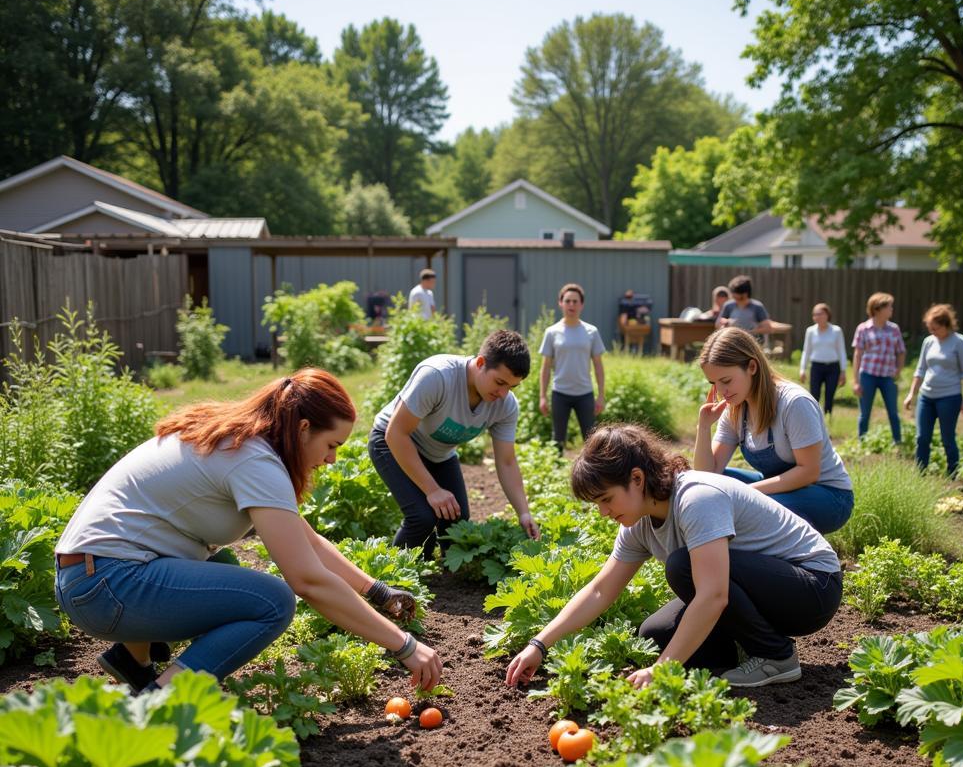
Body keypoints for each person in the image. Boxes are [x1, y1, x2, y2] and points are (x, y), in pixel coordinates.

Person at [54, 369, 443, 695]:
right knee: (273, 601)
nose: (331, 459)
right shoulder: (254, 460)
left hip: (90, 577)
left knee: (221, 561)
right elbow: (306, 580)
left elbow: (302, 537)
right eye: (330, 445)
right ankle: (158, 703)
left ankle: (132, 662)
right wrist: (403, 645)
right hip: (106, 585)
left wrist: (375, 591)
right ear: (304, 427)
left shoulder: (243, 440)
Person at [504, 424, 843, 690]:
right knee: (654, 634)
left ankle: (777, 656)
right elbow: (599, 590)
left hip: (813, 587)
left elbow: (713, 595)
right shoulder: (638, 525)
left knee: (682, 567)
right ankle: (743, 648)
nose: (603, 512)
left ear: (637, 479)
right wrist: (540, 644)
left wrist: (663, 670)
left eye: (606, 499)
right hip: (766, 587)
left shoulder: (697, 499)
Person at [370, 330, 540, 556]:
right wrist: (432, 490)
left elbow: (507, 462)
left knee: (457, 523)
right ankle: (388, 580)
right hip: (391, 441)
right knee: (422, 517)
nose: (503, 393)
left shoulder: (505, 405)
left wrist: (524, 513)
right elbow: (396, 433)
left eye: (511, 386)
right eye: (499, 382)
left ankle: (433, 569)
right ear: (480, 363)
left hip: (438, 454)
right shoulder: (437, 376)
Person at [693, 327, 854, 534]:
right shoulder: (734, 407)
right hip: (782, 489)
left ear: (752, 366)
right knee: (710, 487)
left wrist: (747, 494)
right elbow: (707, 474)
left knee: (749, 508)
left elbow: (809, 472)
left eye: (726, 381)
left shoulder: (795, 403)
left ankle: (806, 558)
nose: (721, 391)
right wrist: (704, 426)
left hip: (828, 496)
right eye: (714, 383)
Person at [903, 303, 963, 476]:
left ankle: (953, 472)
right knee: (921, 437)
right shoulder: (928, 342)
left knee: (947, 438)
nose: (932, 332)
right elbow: (920, 370)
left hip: (949, 397)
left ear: (946, 325)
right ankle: (920, 473)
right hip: (926, 396)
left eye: (935, 328)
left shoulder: (959, 342)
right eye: (929, 328)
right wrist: (912, 393)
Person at [539, 282, 607, 454]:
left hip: (584, 394)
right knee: (558, 439)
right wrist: (542, 397)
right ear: (560, 303)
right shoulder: (552, 332)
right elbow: (545, 367)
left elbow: (598, 366)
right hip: (560, 393)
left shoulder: (591, 331)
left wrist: (601, 396)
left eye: (575, 301)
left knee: (591, 440)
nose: (571, 305)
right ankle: (554, 472)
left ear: (581, 305)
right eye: (568, 301)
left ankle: (592, 477)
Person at [852, 292, 906, 443]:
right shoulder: (863, 329)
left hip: (888, 377)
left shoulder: (894, 329)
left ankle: (898, 442)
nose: (891, 310)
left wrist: (898, 370)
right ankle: (862, 442)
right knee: (865, 413)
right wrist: (856, 381)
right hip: (867, 376)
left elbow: (901, 351)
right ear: (877, 309)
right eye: (889, 307)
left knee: (893, 412)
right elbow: (857, 355)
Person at [799, 303, 847, 417]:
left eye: (820, 314)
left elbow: (841, 351)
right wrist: (802, 369)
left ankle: (827, 420)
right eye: (814, 314)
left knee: (829, 395)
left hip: (833, 368)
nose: (817, 317)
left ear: (827, 315)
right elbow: (806, 351)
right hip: (816, 367)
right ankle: (815, 418)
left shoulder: (836, 331)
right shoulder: (810, 331)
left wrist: (843, 371)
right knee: (814, 395)